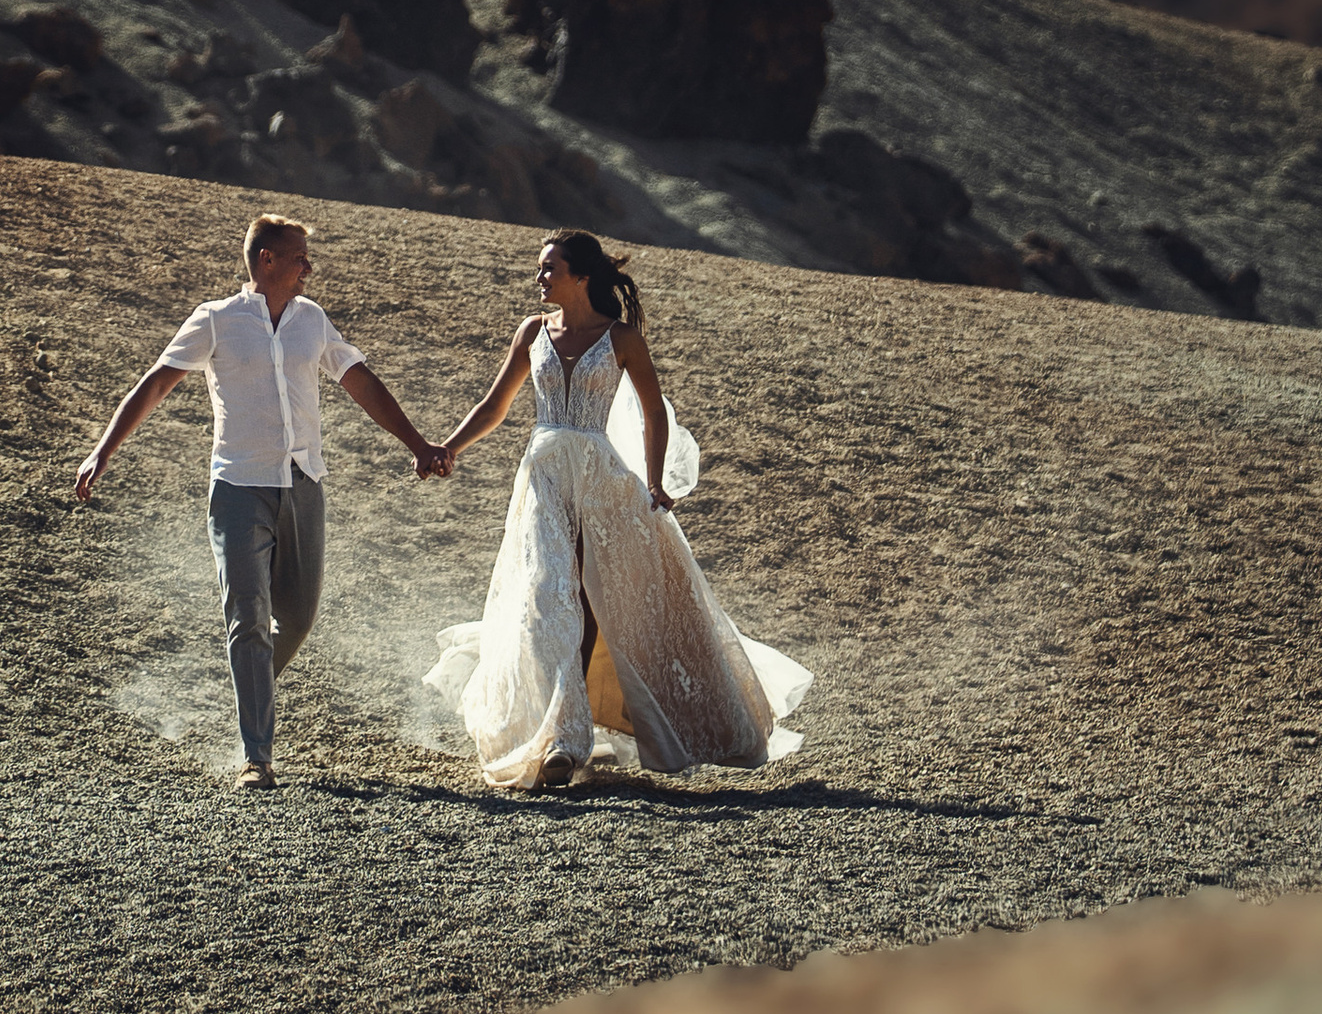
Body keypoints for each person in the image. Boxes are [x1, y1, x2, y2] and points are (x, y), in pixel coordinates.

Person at [425, 231, 810, 794]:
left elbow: (655, 414)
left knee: (591, 601)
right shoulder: (532, 332)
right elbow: (495, 404)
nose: (539, 278)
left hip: (602, 482)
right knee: (548, 595)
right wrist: (449, 448)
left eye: (548, 268)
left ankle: (568, 737)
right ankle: (561, 739)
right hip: (545, 479)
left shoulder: (622, 337)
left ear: (581, 276)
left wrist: (655, 482)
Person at [76, 212, 443, 788]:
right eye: (300, 257)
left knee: (296, 619)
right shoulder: (217, 320)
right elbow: (156, 382)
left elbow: (362, 382)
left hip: (303, 485)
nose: (308, 268)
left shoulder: (312, 321)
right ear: (266, 260)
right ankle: (257, 756)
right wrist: (103, 450)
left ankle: (250, 683)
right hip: (238, 488)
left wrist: (417, 443)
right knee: (247, 618)